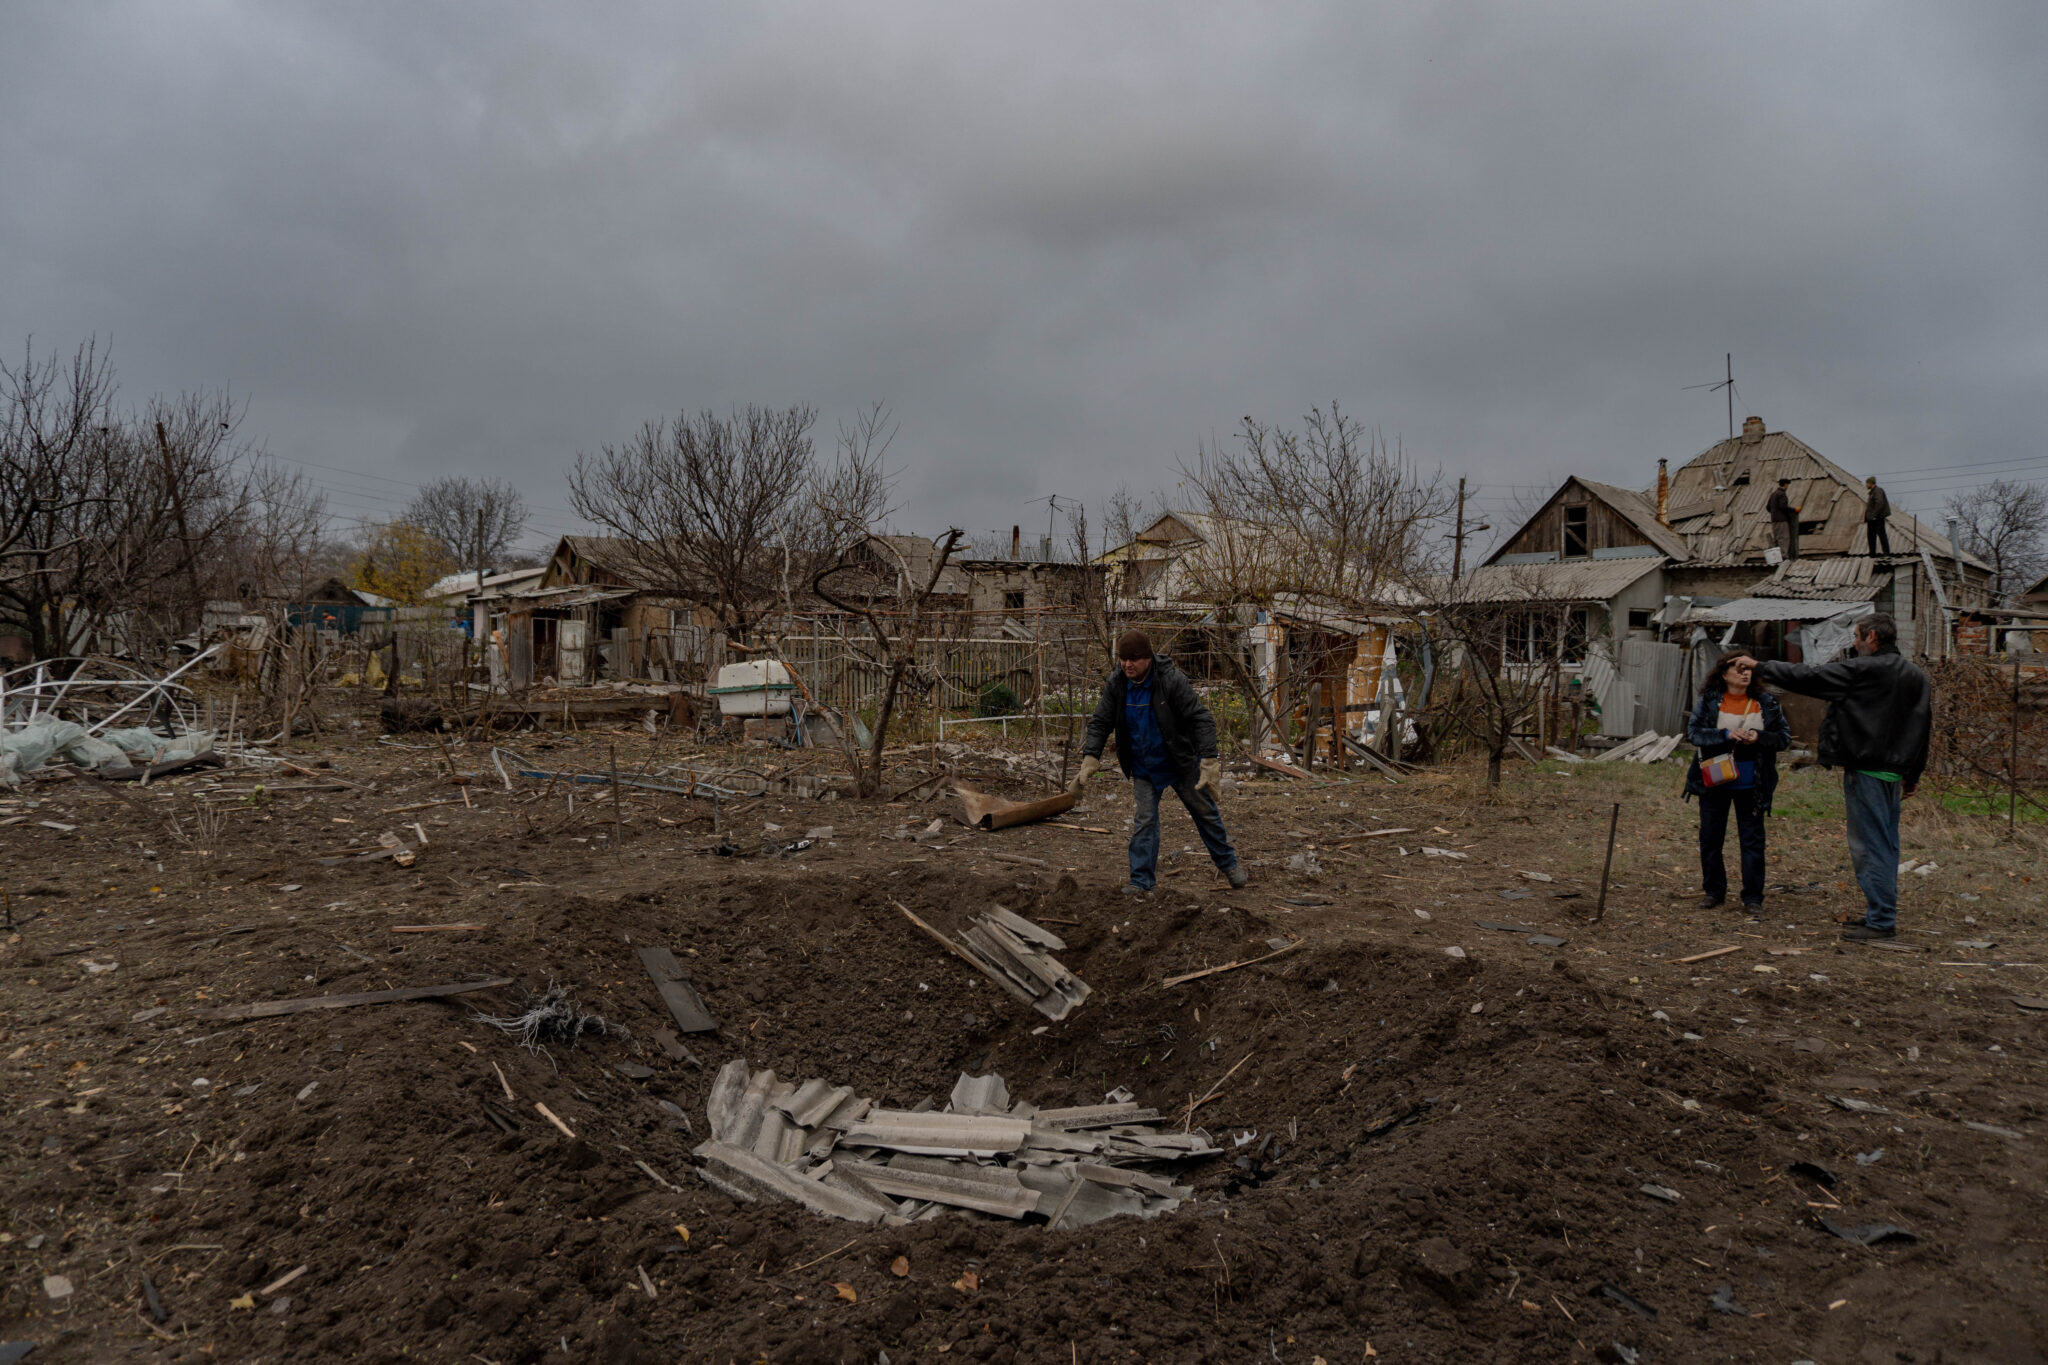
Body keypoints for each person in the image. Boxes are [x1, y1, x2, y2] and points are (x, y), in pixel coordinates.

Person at [1756, 613, 1931, 942]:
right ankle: (1880, 913)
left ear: (1872, 637)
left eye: (1857, 636)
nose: (1854, 642)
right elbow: (1923, 728)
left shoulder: (1864, 670)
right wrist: (1913, 773)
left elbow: (1810, 677)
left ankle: (1881, 922)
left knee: (1870, 847)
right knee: (1886, 845)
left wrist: (1761, 667)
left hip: (1866, 770)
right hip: (1893, 774)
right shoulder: (1916, 676)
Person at [1070, 629, 1247, 895]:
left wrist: (1209, 759)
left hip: (1180, 762)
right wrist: (1090, 757)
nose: (1127, 664)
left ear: (1148, 658)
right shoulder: (1117, 683)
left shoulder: (1171, 680)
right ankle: (1141, 882)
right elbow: (1101, 720)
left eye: (1133, 659)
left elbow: (1201, 719)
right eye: (1123, 659)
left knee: (1205, 814)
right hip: (1144, 766)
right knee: (1145, 821)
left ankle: (1229, 865)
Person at [1683, 650, 1792, 911]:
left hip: (1752, 784)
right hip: (1714, 780)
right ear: (1724, 674)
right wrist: (1726, 735)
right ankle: (1714, 892)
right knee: (1711, 838)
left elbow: (1784, 738)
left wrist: (1758, 738)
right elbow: (1694, 733)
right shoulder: (1710, 700)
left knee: (1752, 842)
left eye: (1748, 669)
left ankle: (1753, 898)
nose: (1745, 674)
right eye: (1738, 669)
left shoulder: (1766, 702)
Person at [1766, 477, 1800, 560]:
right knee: (1784, 538)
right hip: (1782, 520)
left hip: (1774, 520)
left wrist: (1775, 512)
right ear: (1785, 485)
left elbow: (1768, 507)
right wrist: (1794, 510)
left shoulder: (1773, 494)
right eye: (1787, 484)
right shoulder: (1782, 494)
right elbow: (1783, 507)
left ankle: (1776, 558)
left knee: (1777, 538)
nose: (1787, 486)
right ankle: (1783, 556)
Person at [1863, 476, 1892, 556]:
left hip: (1877, 518)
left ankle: (1886, 553)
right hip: (1872, 519)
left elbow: (1880, 503)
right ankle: (1872, 553)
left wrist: (1874, 515)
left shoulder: (1878, 491)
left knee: (1881, 535)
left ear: (1870, 483)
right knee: (1871, 536)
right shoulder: (1872, 492)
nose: (1866, 485)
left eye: (1867, 483)